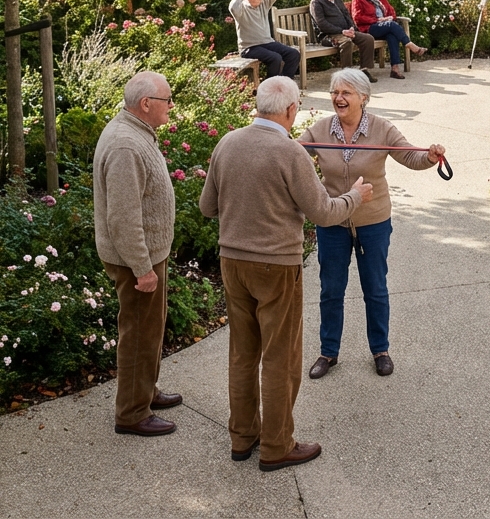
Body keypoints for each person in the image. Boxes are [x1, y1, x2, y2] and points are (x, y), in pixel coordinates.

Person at [199, 76, 373, 471]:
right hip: (276, 266)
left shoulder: (227, 143)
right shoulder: (290, 152)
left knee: (243, 354)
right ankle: (277, 445)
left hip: (232, 263)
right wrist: (355, 197)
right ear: (292, 110)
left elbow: (207, 207)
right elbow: (324, 213)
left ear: (259, 105)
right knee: (280, 357)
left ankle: (242, 437)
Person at [300, 69, 446, 379]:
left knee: (375, 289)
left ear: (363, 97)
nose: (338, 98)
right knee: (330, 290)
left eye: (346, 93)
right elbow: (292, 156)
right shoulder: (320, 130)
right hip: (332, 222)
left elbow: (410, 156)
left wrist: (430, 157)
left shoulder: (382, 128)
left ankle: (380, 350)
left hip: (373, 223)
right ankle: (328, 352)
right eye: (335, 92)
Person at [93, 71, 182, 437]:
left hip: (145, 256)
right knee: (139, 333)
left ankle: (144, 391)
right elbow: (123, 217)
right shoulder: (125, 145)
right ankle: (131, 412)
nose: (171, 105)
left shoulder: (136, 131)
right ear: (146, 104)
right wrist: (143, 269)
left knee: (149, 329)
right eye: (167, 99)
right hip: (135, 261)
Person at [351, 0, 427, 80]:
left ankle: (395, 69)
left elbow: (391, 10)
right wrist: (377, 20)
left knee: (392, 35)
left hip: (384, 26)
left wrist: (390, 17)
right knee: (391, 25)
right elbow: (358, 17)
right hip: (369, 29)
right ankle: (410, 45)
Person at [310, 0, 376, 83]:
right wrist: (341, 31)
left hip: (346, 32)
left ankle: (364, 70)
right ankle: (347, 75)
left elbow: (346, 14)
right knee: (347, 42)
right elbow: (322, 24)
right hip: (328, 36)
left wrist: (351, 28)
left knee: (368, 39)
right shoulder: (316, 2)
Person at [230, 0, 300, 80]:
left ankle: (283, 82)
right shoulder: (240, 9)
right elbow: (232, 6)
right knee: (275, 58)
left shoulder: (264, 2)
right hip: (249, 47)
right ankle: (269, 86)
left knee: (293, 54)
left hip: (268, 43)